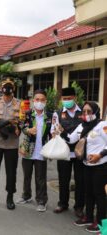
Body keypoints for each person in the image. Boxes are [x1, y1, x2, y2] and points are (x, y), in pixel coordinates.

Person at [61, 102, 107, 233]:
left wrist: (100, 155)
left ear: (96, 112)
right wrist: (61, 132)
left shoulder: (102, 125)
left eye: (89, 111)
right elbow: (70, 139)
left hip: (101, 165)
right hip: (86, 165)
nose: (86, 114)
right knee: (88, 192)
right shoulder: (82, 125)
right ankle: (89, 218)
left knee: (100, 195)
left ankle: (103, 225)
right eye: (84, 112)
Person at [0, 78, 21, 210]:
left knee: (11, 173)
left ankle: (10, 197)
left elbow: (23, 121)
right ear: (0, 88)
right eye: (4, 86)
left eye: (10, 86)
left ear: (14, 88)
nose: (7, 88)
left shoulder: (19, 104)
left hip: (12, 145)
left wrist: (18, 129)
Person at [51, 87, 84, 217]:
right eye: (65, 99)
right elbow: (54, 130)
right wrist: (55, 132)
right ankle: (62, 203)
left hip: (80, 152)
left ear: (75, 98)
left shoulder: (83, 112)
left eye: (69, 98)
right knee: (63, 179)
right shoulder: (57, 113)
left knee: (80, 180)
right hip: (63, 152)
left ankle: (79, 206)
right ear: (61, 100)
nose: (67, 101)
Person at [17, 90, 52, 212]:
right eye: (37, 99)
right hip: (27, 150)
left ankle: (42, 201)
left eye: (42, 100)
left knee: (40, 177)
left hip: (42, 151)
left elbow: (53, 132)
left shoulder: (50, 116)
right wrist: (28, 130)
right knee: (27, 175)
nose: (39, 102)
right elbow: (21, 125)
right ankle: (26, 196)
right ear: (33, 101)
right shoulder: (27, 114)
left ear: (46, 101)